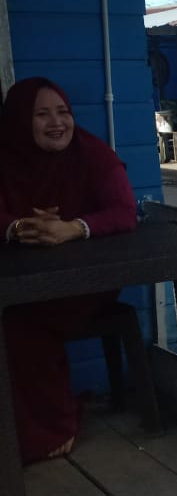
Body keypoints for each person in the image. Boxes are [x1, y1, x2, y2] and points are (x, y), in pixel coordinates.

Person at [0, 77, 137, 463]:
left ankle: (53, 427)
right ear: (18, 121)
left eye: (63, 112)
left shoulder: (91, 152)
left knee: (20, 321)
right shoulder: (6, 155)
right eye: (41, 114)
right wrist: (20, 227)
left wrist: (72, 229)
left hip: (87, 281)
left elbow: (123, 211)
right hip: (24, 273)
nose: (56, 123)